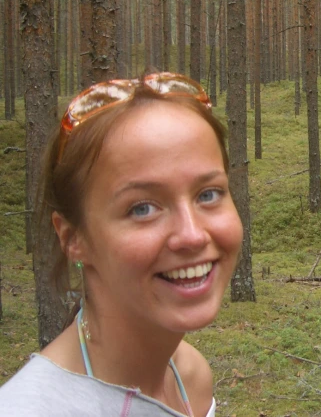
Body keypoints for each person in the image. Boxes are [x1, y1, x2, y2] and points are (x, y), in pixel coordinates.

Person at [0, 73, 243, 416]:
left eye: (208, 194)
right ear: (73, 238)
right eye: (142, 208)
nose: (192, 235)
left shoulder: (188, 376)